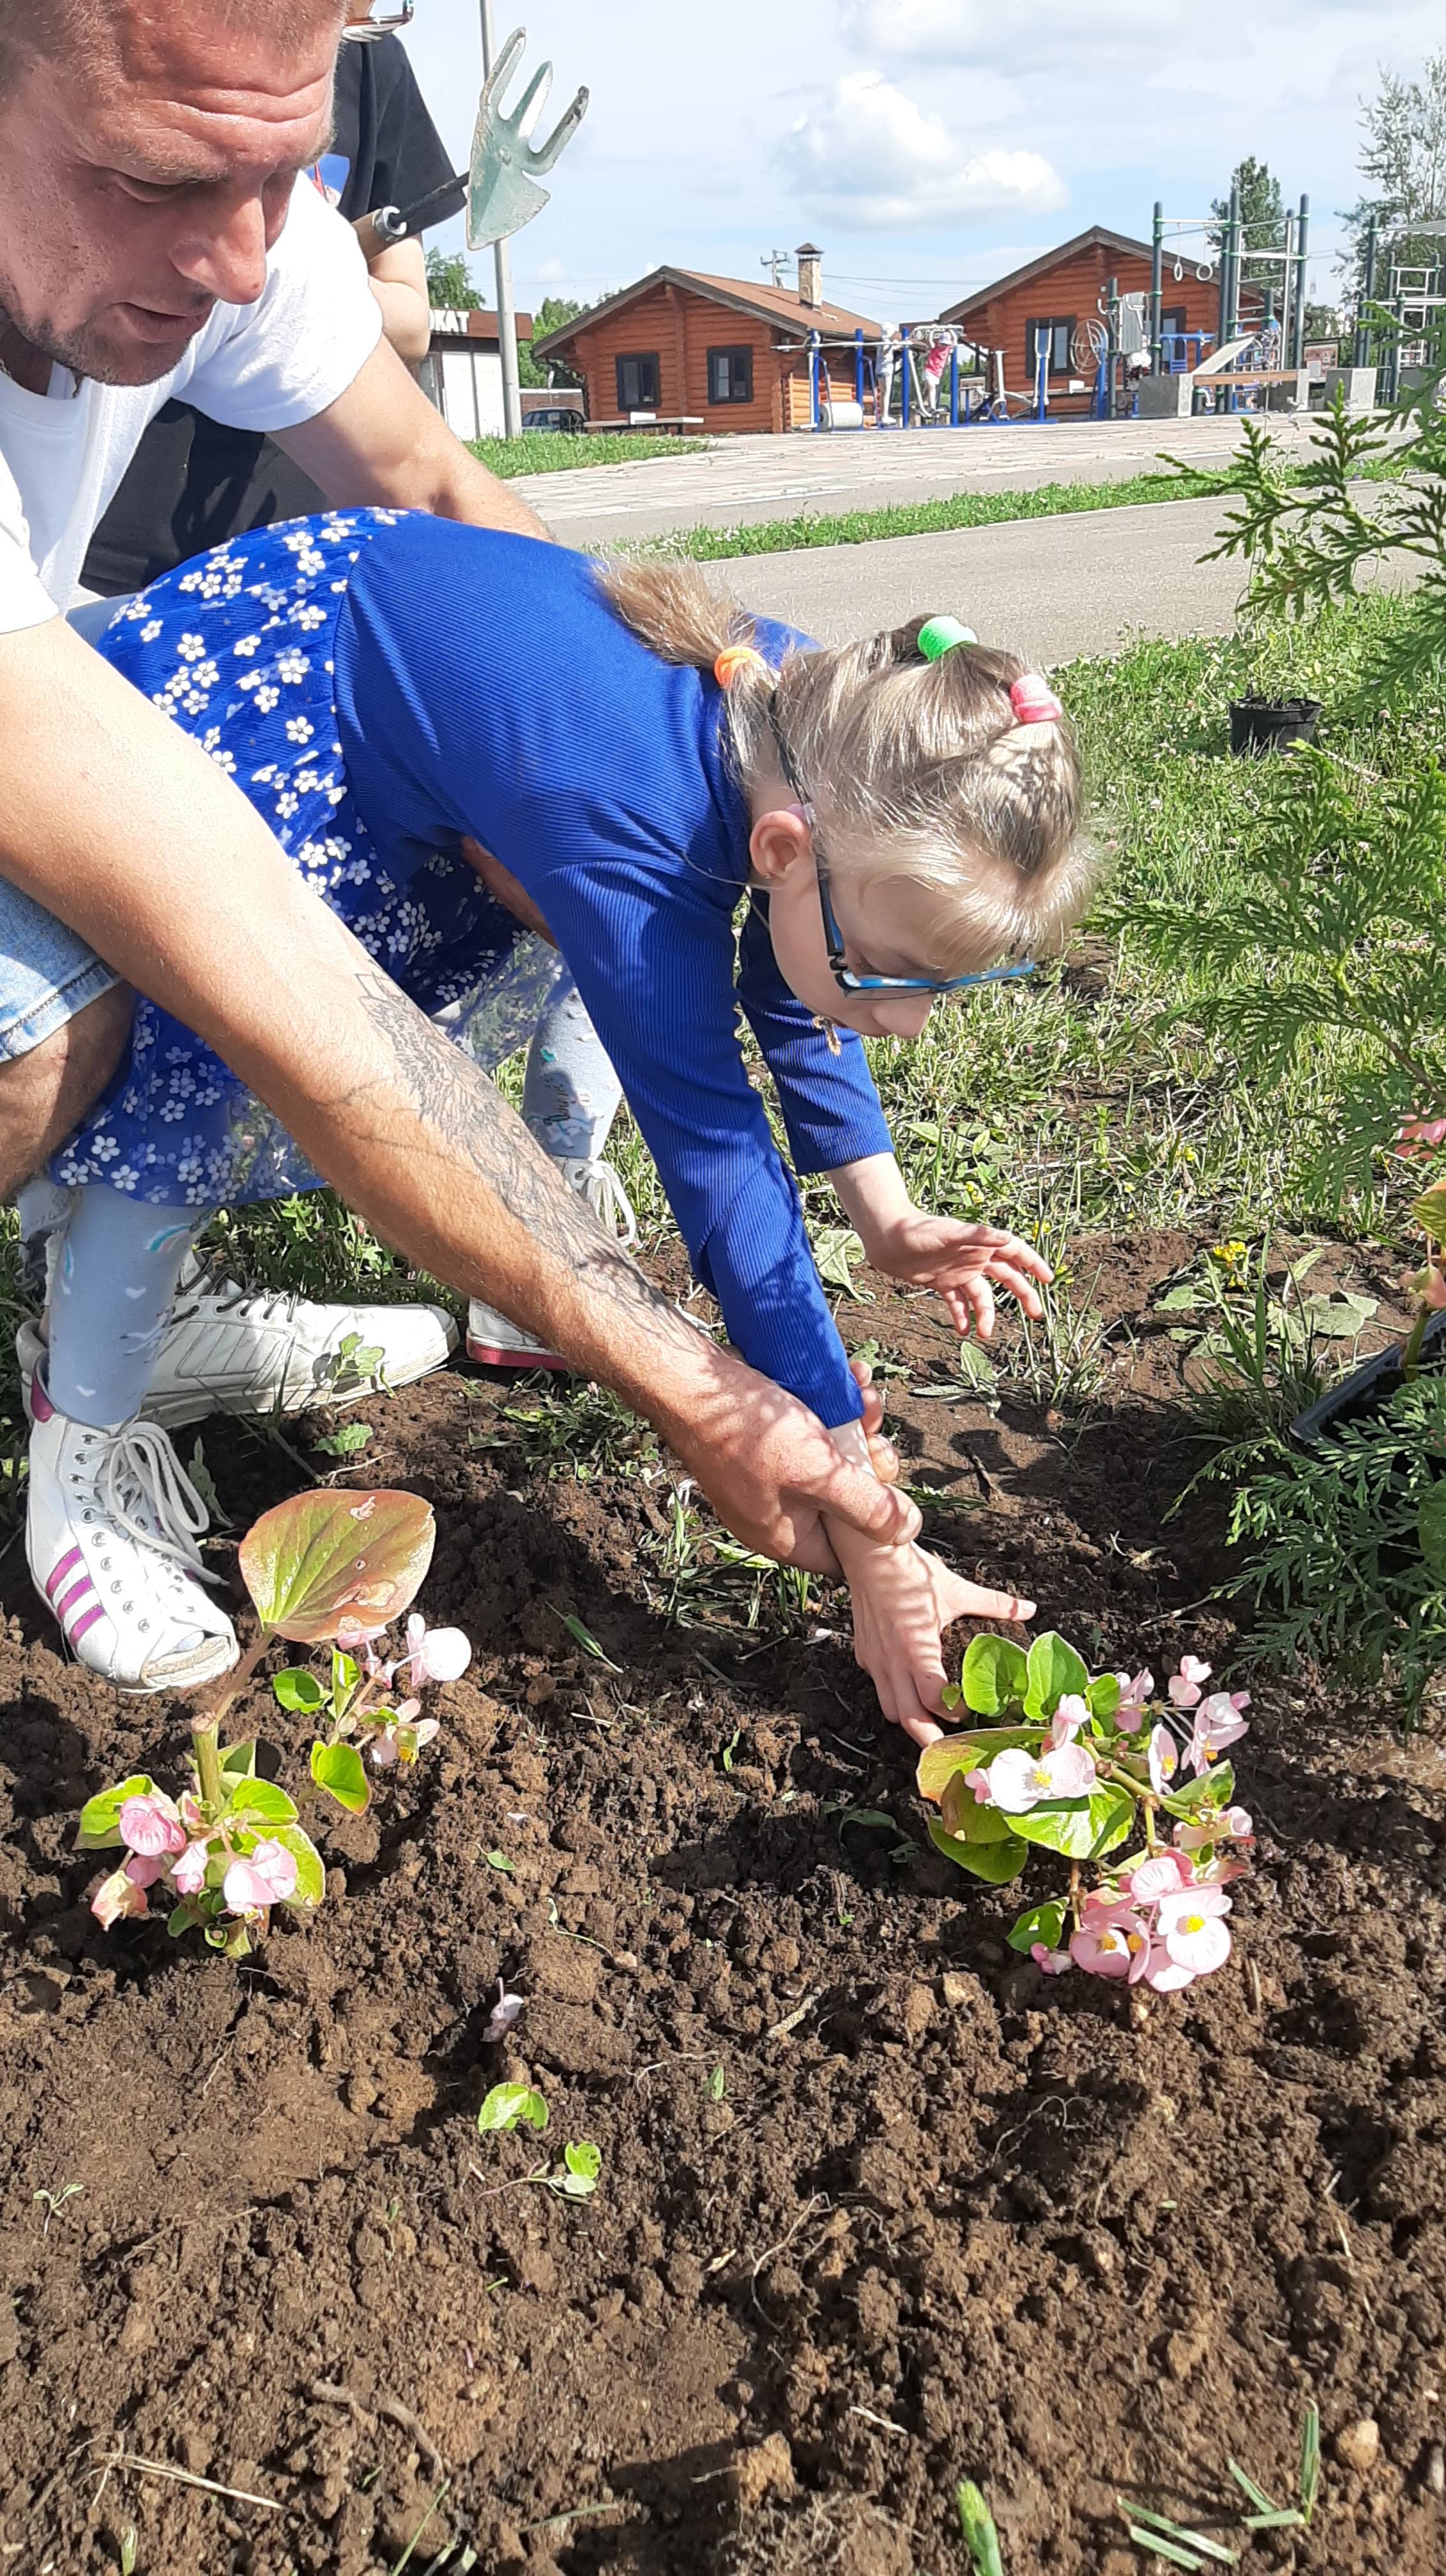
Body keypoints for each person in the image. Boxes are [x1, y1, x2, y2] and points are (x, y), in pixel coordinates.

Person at [0, 0, 924, 1585]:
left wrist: (601, 704)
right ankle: (74, 1397)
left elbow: (433, 482)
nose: (238, 257)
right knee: (56, 1021)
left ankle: (130, 1289)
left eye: (281, 174)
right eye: (154, 182)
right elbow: (273, 972)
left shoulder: (229, 209)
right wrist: (688, 1378)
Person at [33, 514, 1092, 1733]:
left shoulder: (833, 723)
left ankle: (145, 1321)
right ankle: (81, 1443)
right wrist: (864, 1517)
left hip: (375, 666)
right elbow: (716, 1157)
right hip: (263, 694)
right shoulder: (635, 821)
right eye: (898, 972)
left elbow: (795, 974)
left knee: (305, 1016)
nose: (901, 1024)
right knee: (219, 1028)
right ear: (782, 847)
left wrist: (884, 1211)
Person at [79, 0, 449, 602]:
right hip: (104, 552)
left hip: (296, 533)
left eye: (284, 179)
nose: (243, 274)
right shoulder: (135, 32)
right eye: (163, 180)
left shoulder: (375, 63)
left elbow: (412, 324)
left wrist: (305, 281)